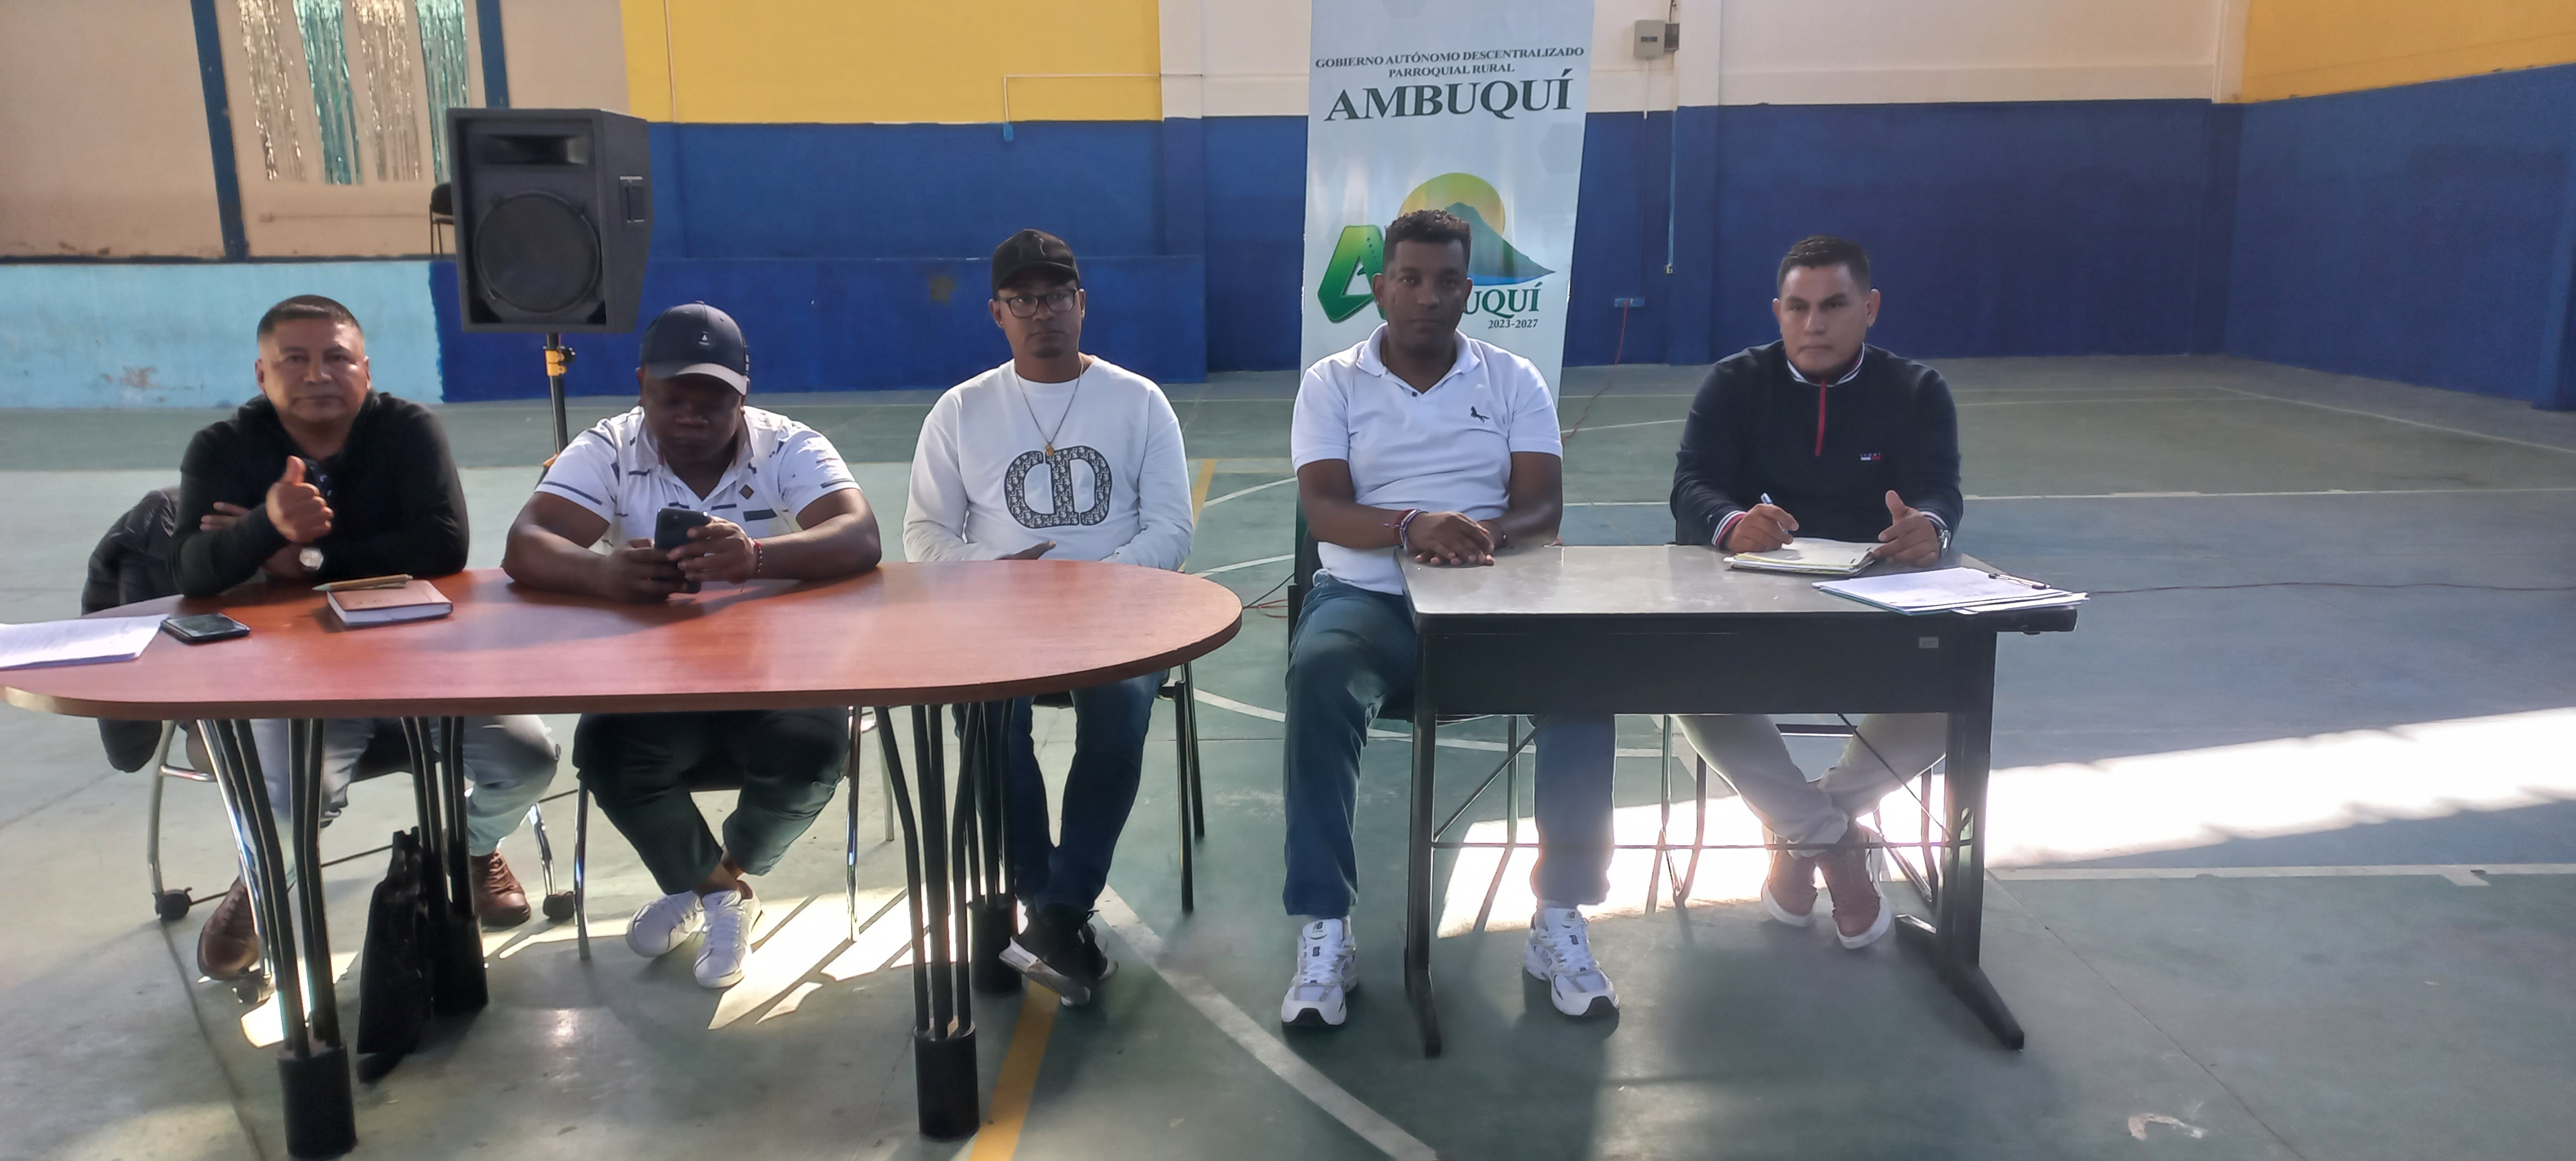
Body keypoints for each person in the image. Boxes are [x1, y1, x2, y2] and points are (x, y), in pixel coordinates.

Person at [1280, 209, 1621, 1027]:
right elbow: (1325, 511)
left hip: (1492, 601)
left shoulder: (1513, 379)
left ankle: (1558, 916)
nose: (1427, 296)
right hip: (1367, 600)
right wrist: (1410, 526)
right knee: (1319, 675)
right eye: (1409, 278)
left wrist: (1475, 538)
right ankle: (1325, 926)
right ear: (1380, 287)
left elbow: (1541, 509)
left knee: (1585, 685)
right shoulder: (1332, 382)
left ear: (1469, 290)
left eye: (1445, 281)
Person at [168, 295, 559, 982]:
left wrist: (301, 559)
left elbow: (443, 546)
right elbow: (195, 572)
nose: (318, 374)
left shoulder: (408, 430)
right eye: (295, 359)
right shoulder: (224, 447)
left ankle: (467, 850)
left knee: (529, 759)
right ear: (262, 373)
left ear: (366, 369)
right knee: (290, 802)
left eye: (337, 358)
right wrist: (267, 523)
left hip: (421, 661)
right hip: (293, 676)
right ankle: (258, 886)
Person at [501, 303, 884, 989]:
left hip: (784, 673)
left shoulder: (788, 445)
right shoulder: (609, 447)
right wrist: (600, 572)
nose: (691, 414)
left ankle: (713, 883)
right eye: (672, 396)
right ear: (641, 384)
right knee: (610, 757)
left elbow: (860, 534)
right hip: (654, 677)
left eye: (713, 399)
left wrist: (759, 557)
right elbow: (526, 543)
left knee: (810, 760)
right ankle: (723, 894)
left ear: (744, 393)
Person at [905, 229, 1193, 1006]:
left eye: (1057, 296)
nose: (1043, 313)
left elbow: (1172, 527)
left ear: (1082, 304)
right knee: (989, 720)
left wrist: (1096, 584)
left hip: (1118, 610)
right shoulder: (961, 409)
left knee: (1120, 706)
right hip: (1001, 615)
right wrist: (1001, 576)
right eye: (1024, 300)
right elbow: (925, 534)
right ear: (997, 313)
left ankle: (1058, 913)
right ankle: (1049, 908)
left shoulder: (1138, 400)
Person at [1668, 234, 1963, 949]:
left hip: (1873, 609)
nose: (1814, 323)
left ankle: (1800, 834)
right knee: (1685, 684)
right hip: (1748, 608)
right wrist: (1730, 523)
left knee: (1956, 695)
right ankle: (1836, 843)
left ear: (1870, 308)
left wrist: (1928, 526)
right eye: (1797, 308)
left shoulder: (1917, 391)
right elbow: (1691, 484)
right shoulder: (1733, 383)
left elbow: (1939, 490)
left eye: (1833, 306)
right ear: (1777, 311)